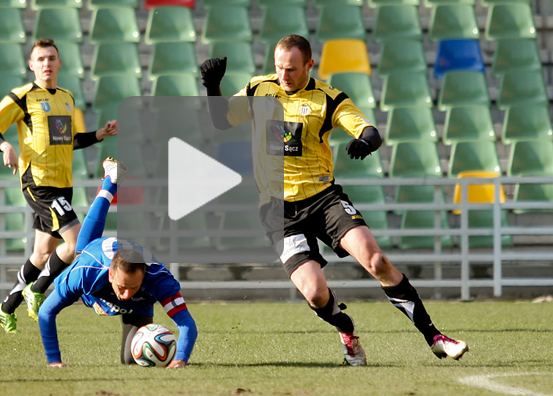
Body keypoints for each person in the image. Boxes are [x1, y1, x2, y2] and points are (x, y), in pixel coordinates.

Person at [199, 34, 468, 366]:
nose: (285, 76)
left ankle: (436, 337)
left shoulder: (328, 98)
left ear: (309, 65)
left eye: (293, 69)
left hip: (324, 200)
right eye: (280, 68)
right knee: (315, 294)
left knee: (377, 261)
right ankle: (346, 329)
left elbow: (368, 129)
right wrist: (212, 87)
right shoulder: (259, 89)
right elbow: (221, 120)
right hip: (278, 211)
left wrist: (366, 142)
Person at [0, 38, 118, 334]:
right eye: (40, 59)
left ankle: (6, 307)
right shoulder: (22, 97)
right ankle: (40, 288)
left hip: (63, 184)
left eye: (51, 58)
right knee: (76, 242)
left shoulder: (67, 98)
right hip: (39, 182)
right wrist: (5, 145)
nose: (46, 63)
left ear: (60, 63)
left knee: (43, 253)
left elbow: (68, 140)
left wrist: (100, 133)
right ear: (31, 65)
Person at [37, 157, 197, 368]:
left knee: (131, 361)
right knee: (80, 250)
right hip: (94, 254)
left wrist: (181, 358)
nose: (127, 294)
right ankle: (109, 183)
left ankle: (111, 181)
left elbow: (187, 324)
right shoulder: (85, 272)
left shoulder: (159, 280)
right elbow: (46, 312)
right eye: (123, 287)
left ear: (144, 276)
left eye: (134, 287)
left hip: (136, 302)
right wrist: (54, 361)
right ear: (111, 275)